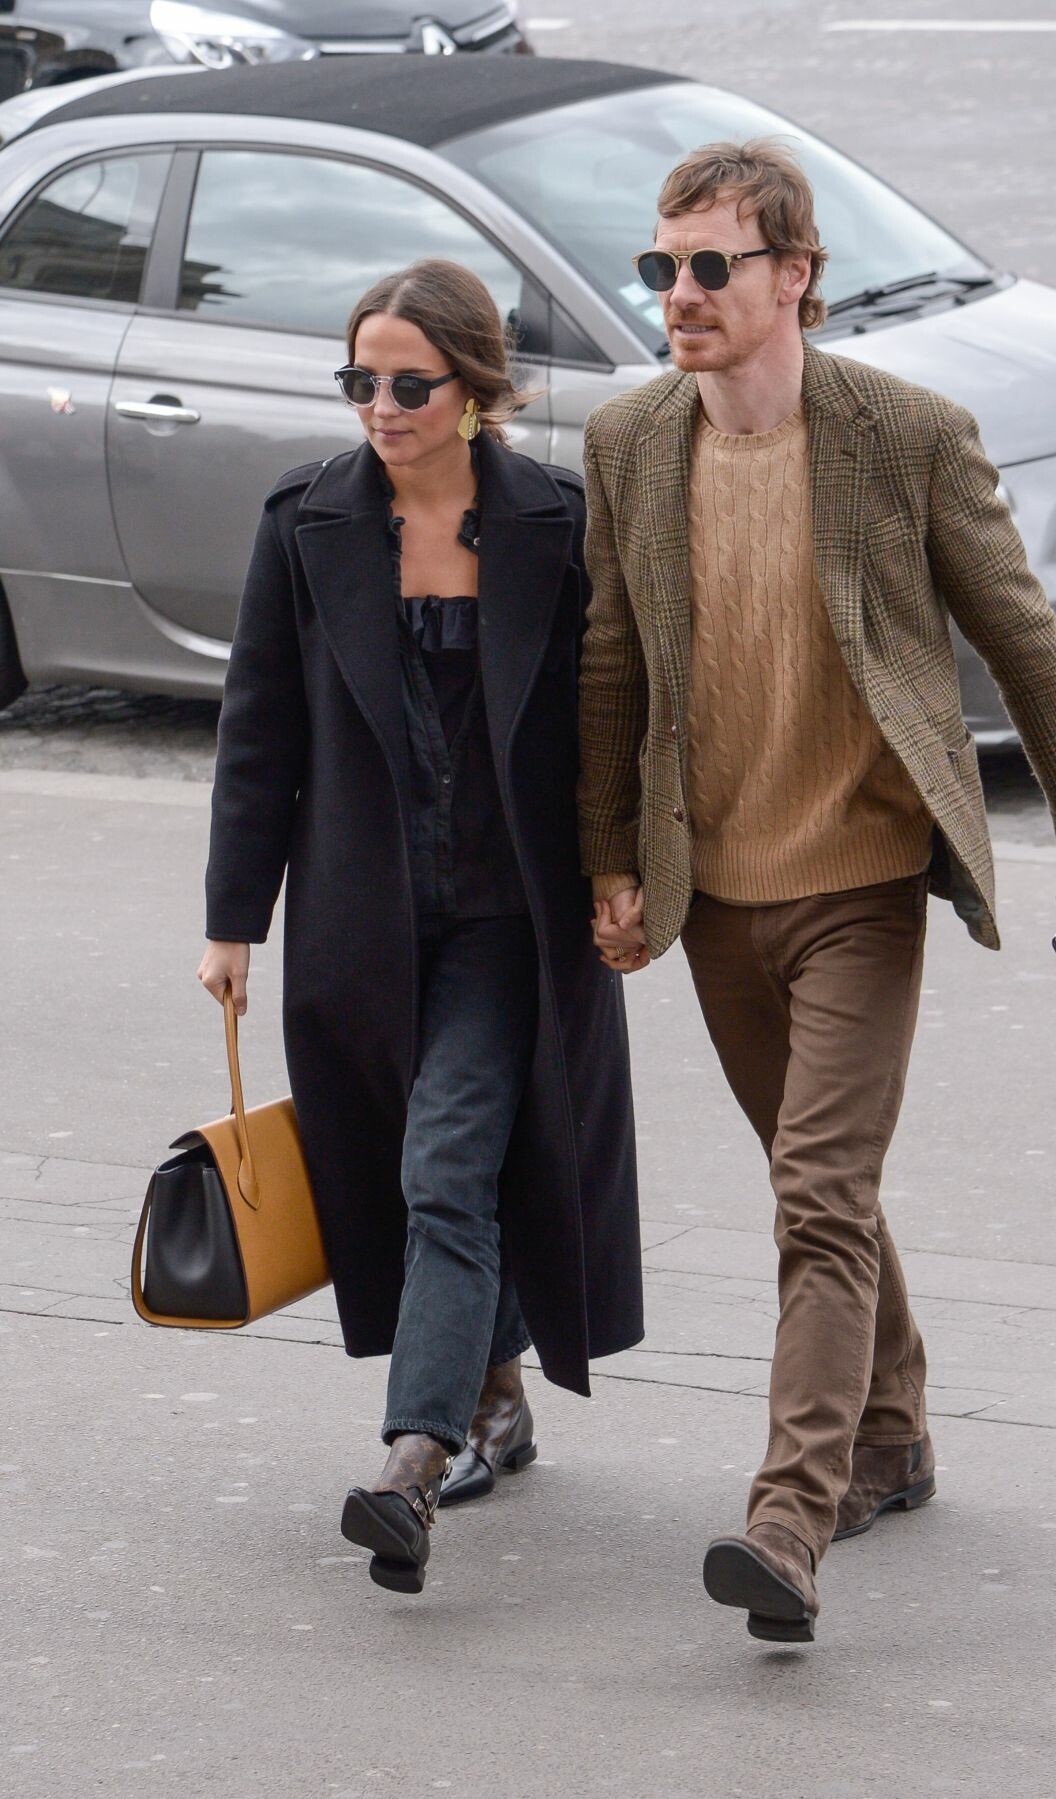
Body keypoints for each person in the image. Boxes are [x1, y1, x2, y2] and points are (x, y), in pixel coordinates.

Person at [578, 141, 1056, 1644]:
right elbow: (612, 664)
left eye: (712, 266)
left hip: (863, 881)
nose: (680, 293)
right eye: (662, 266)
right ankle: (892, 1435)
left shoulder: (906, 435)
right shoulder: (631, 441)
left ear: (795, 276)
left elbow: (1021, 637)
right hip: (716, 888)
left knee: (816, 1199)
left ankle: (789, 1519)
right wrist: (612, 860)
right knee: (814, 1181)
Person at [198, 259, 642, 1596]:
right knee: (409, 1168)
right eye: (360, 383)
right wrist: (234, 921)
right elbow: (259, 731)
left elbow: (613, 723)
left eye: (408, 386)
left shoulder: (556, 525)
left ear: (474, 387)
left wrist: (626, 873)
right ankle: (493, 1393)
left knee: (447, 1167)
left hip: (510, 926)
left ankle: (413, 1460)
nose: (380, 410)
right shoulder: (308, 523)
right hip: (359, 923)